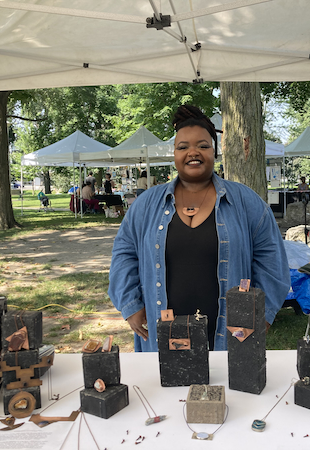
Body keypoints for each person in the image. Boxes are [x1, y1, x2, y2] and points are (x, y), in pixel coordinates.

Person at [108, 104, 290, 352]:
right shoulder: (146, 205)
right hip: (162, 329)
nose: (193, 152)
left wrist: (263, 314)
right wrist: (130, 304)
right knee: (166, 389)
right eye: (183, 147)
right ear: (174, 153)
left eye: (203, 145)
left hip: (228, 336)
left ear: (214, 151)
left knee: (223, 390)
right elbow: (124, 253)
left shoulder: (245, 202)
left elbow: (271, 259)